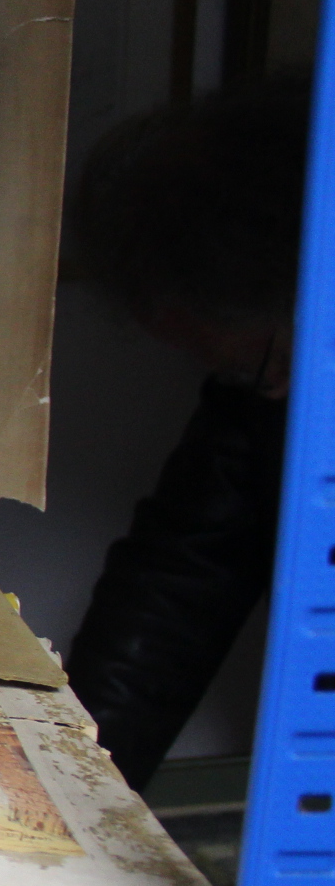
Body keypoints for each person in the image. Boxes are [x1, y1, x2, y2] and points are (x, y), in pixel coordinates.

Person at [60, 78, 311, 788]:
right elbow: (181, 576)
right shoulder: (252, 401)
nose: (273, 392)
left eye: (260, 360)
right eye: (231, 375)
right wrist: (80, 781)